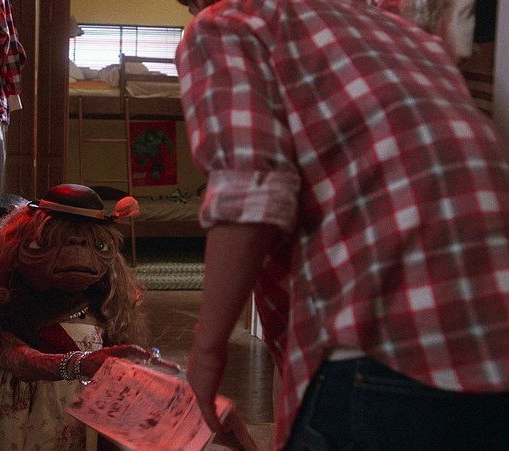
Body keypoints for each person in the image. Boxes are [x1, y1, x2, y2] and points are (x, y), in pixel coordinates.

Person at [174, 1, 509, 450]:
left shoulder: (225, 24)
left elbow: (250, 192)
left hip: (390, 344)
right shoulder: (397, 28)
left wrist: (207, 352)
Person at [0, 184, 180, 450]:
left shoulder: (104, 304)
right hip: (22, 418)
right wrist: (78, 364)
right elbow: (12, 356)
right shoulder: (8, 302)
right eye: (55, 240)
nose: (77, 248)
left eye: (96, 244)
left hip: (84, 419)